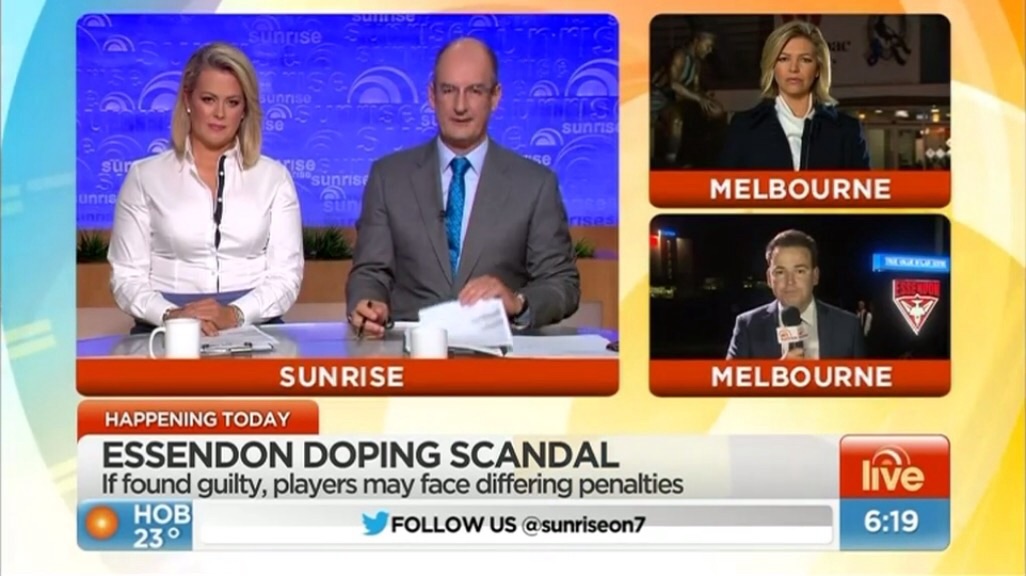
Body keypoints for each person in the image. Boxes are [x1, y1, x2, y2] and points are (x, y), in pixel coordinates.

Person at [346, 37, 580, 338]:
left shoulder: (535, 184)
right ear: (432, 96)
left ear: (495, 97)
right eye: (448, 90)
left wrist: (518, 302)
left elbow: (562, 283)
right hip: (411, 352)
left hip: (499, 356)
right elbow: (370, 272)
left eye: (475, 91)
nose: (460, 106)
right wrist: (368, 303)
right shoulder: (388, 177)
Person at [107, 42, 304, 336]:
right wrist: (173, 316)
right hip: (167, 324)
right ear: (188, 99)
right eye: (209, 99)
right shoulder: (144, 176)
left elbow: (286, 277)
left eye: (232, 102)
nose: (220, 113)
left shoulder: (274, 178)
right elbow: (126, 276)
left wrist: (234, 314)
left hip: (253, 322)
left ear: (245, 109)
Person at [718, 21, 871, 169]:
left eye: (805, 60)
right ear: (772, 66)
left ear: (818, 69)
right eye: (784, 59)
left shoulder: (848, 132)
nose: (793, 68)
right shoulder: (744, 128)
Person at [726, 229, 865, 359]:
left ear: (815, 276)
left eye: (800, 271)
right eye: (780, 272)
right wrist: (777, 373)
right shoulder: (748, 326)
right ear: (769, 278)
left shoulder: (848, 326)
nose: (790, 282)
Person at [650, 32, 726, 167]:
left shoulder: (697, 63)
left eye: (711, 47)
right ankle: (665, 164)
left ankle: (676, 161)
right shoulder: (680, 55)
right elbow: (673, 85)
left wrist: (705, 96)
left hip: (671, 101)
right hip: (653, 98)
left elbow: (695, 88)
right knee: (669, 123)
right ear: (696, 41)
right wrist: (699, 99)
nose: (709, 50)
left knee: (682, 120)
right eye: (707, 46)